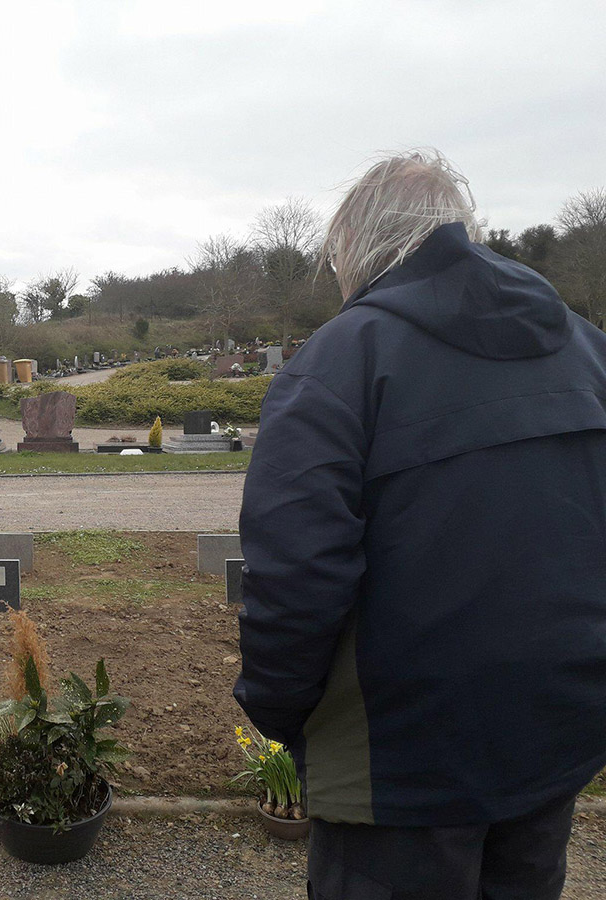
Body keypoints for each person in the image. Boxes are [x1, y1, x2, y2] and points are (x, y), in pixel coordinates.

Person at [234, 149, 606, 899]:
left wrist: (282, 715)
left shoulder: (341, 363)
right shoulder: (586, 350)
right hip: (554, 729)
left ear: (360, 245)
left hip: (400, 762)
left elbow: (296, 574)